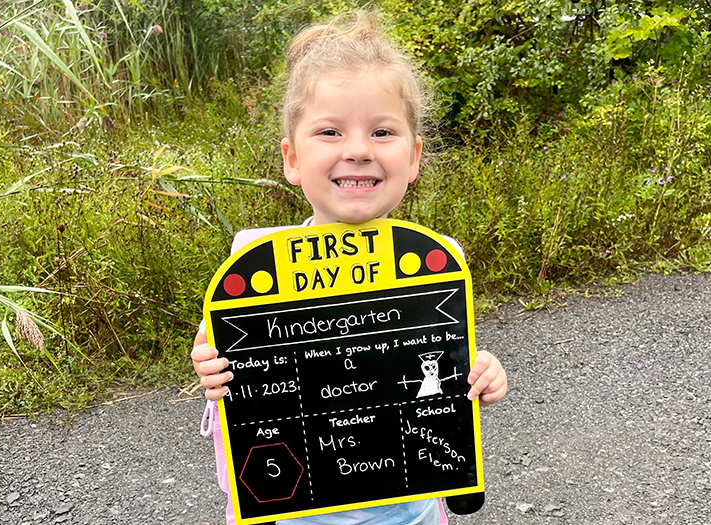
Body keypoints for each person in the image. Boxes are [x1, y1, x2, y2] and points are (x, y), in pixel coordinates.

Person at [191, 11, 508, 525]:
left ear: (413, 158)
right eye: (330, 132)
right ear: (292, 160)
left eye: (383, 132)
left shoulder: (433, 261)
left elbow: (446, 358)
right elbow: (216, 351)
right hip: (290, 512)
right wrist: (209, 365)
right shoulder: (254, 265)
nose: (358, 150)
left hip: (411, 512)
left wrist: (484, 374)